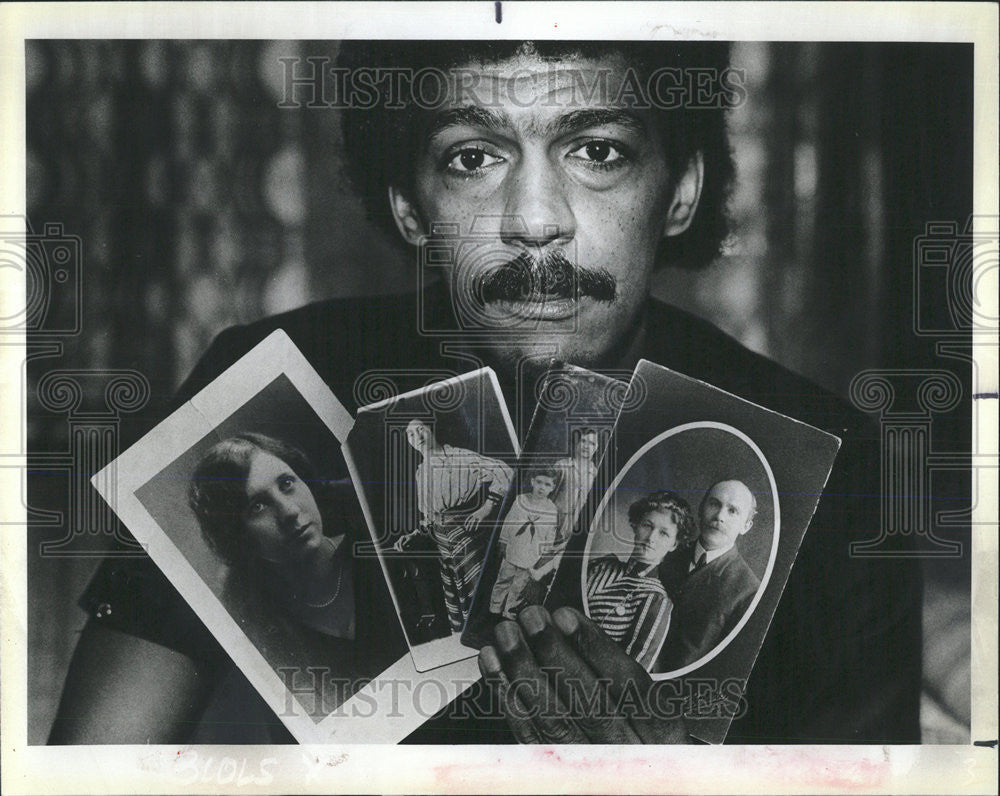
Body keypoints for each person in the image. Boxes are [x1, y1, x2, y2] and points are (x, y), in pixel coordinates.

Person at [48, 40, 922, 746]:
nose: (535, 219)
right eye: (472, 158)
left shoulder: (833, 462)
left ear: (682, 192)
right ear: (409, 209)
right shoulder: (279, 387)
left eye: (598, 152)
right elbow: (95, 765)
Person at [188, 433, 354, 640]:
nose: (289, 511)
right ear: (237, 536)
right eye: (257, 506)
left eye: (286, 484)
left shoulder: (374, 540)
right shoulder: (259, 628)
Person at [393, 418, 513, 632]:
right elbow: (430, 517)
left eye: (421, 429)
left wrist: (486, 508)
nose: (418, 436)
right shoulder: (421, 472)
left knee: (481, 601)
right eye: (411, 434)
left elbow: (504, 471)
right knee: (459, 610)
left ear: (432, 429)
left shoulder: (459, 456)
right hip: (443, 546)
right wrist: (413, 535)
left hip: (466, 538)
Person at [657, 480, 762, 671]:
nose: (719, 516)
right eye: (714, 504)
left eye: (733, 511)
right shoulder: (665, 554)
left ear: (746, 526)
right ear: (700, 509)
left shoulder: (748, 590)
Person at [586, 491, 697, 671]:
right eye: (647, 525)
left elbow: (629, 674)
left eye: (663, 533)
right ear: (635, 525)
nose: (651, 538)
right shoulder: (601, 565)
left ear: (674, 544)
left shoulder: (656, 599)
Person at [489, 467, 560, 619]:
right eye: (539, 482)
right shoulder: (520, 500)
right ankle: (494, 609)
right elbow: (509, 521)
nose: (542, 487)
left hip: (531, 553)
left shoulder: (552, 510)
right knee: (503, 579)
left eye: (547, 485)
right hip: (514, 547)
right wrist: (503, 541)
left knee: (519, 585)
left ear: (552, 488)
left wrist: (545, 552)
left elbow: (550, 533)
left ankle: (508, 611)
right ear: (532, 481)